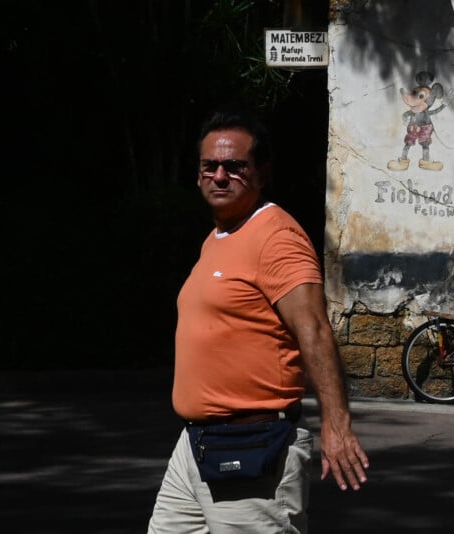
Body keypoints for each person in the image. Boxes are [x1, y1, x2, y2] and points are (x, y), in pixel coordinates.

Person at [148, 108, 368, 533]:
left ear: (261, 173)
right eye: (209, 166)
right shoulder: (217, 238)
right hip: (195, 444)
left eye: (235, 166)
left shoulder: (276, 237)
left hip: (252, 446)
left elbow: (315, 330)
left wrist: (336, 424)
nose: (220, 176)